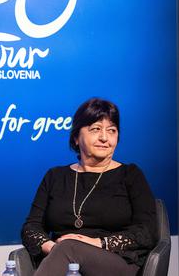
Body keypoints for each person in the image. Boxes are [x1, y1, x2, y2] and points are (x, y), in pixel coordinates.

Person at [21, 98, 157, 276]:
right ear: (76, 137)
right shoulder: (55, 176)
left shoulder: (130, 174)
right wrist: (54, 248)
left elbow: (146, 231)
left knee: (70, 249)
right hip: (61, 259)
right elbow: (31, 227)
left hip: (116, 262)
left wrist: (97, 243)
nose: (104, 138)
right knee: (68, 250)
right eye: (95, 129)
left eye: (112, 130)